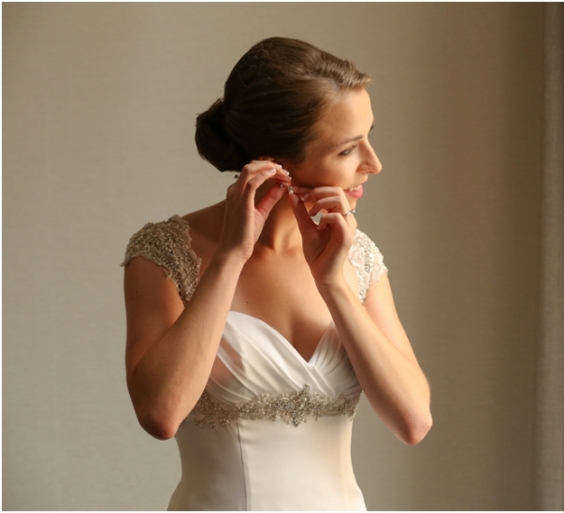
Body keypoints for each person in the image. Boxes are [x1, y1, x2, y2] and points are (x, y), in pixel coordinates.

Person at [120, 37, 432, 510]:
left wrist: (334, 285)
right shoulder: (162, 254)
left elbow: (413, 422)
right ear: (276, 161)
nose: (374, 163)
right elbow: (160, 414)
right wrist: (231, 257)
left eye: (369, 137)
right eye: (348, 150)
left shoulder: (356, 256)